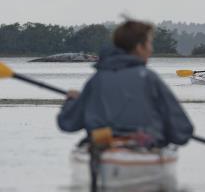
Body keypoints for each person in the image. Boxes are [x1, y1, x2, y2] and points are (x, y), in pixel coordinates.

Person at [57, 19, 194, 147]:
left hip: (104, 150)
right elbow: (182, 131)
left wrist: (71, 101)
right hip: (145, 151)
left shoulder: (97, 80)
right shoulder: (149, 78)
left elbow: (67, 123)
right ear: (139, 47)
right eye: (149, 43)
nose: (151, 49)